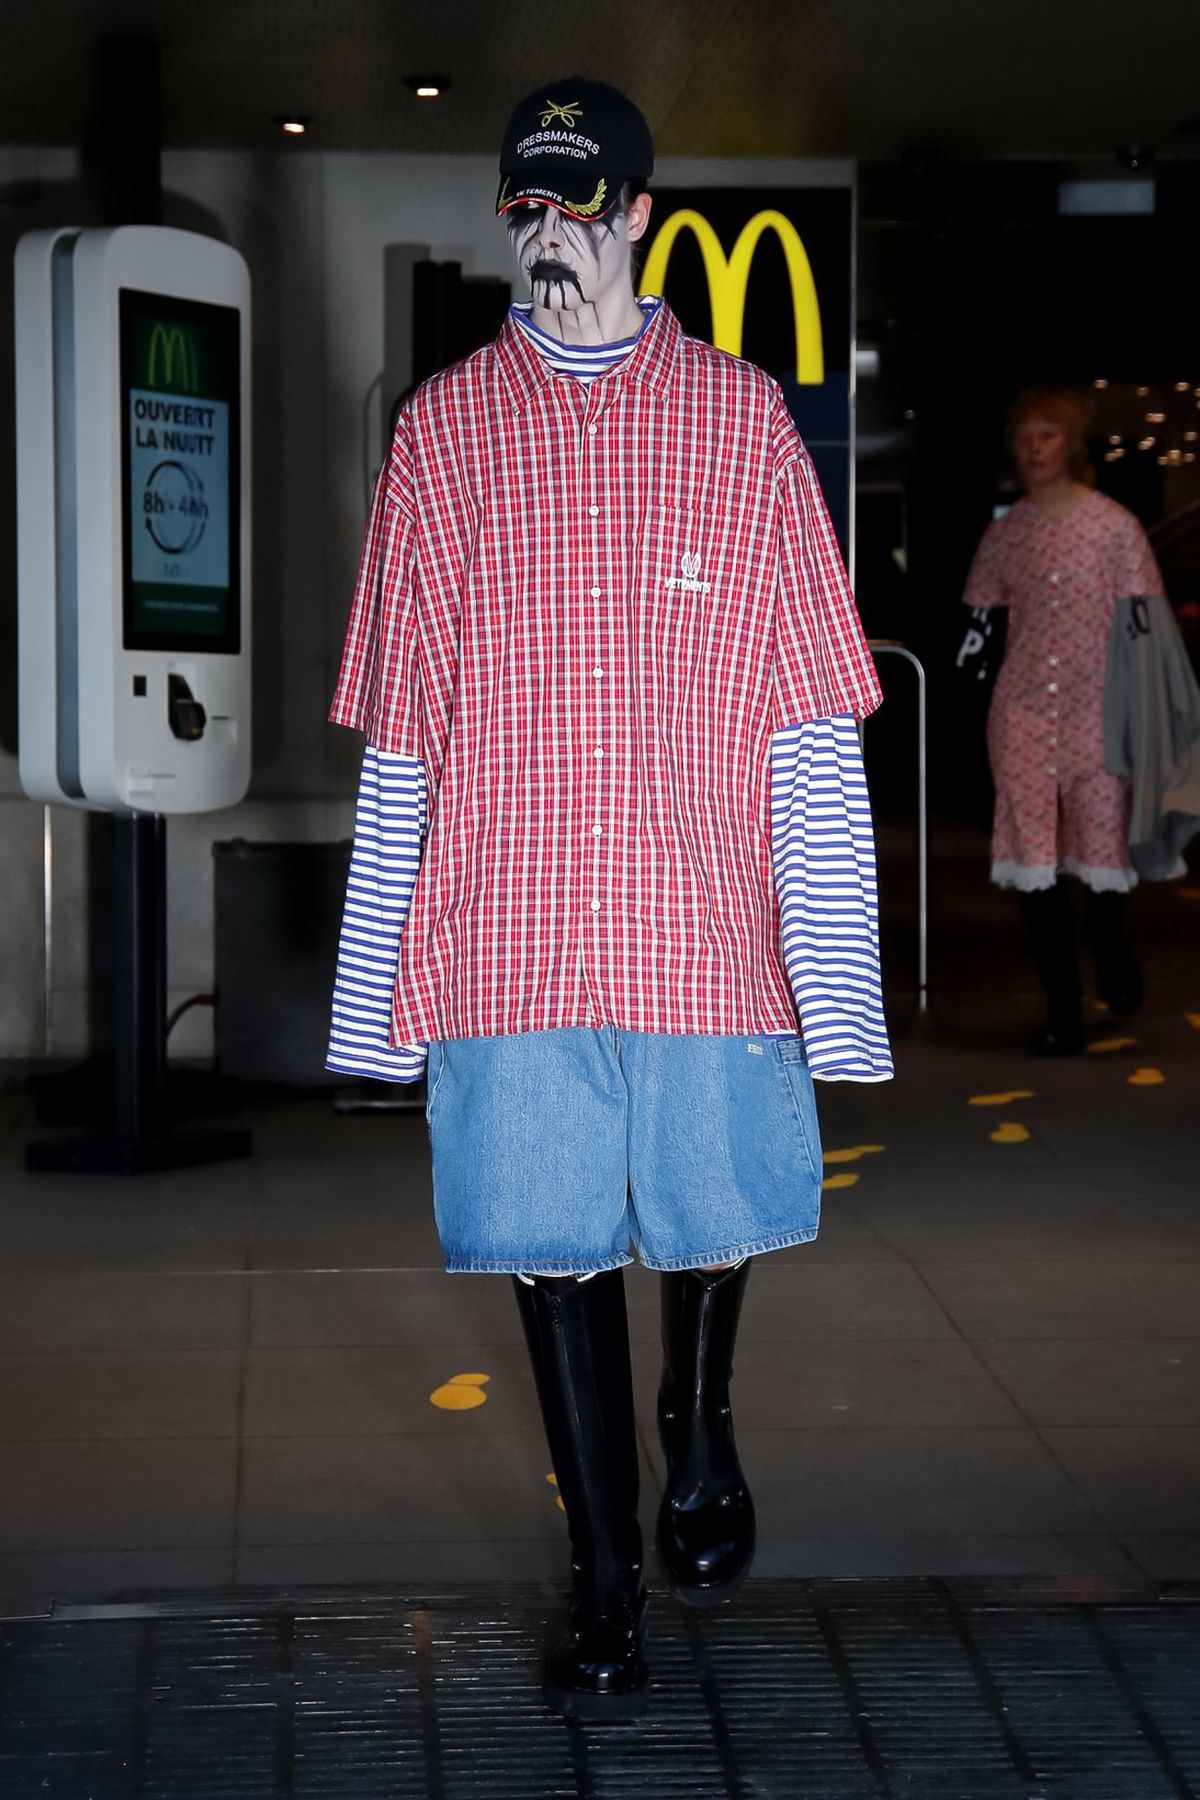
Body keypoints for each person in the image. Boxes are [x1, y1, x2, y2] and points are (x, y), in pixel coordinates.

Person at [326, 75, 891, 1719]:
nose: (548, 231)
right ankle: (603, 1580)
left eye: (577, 201)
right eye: (525, 202)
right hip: (510, 920)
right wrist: (378, 996)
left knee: (709, 1207)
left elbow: (808, 718)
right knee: (547, 1245)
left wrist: (833, 976)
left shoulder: (741, 423)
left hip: (700, 915)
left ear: (639, 214)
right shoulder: (442, 433)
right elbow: (404, 730)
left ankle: (695, 1411)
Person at [962, 388, 1163, 1055]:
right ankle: (1063, 1010)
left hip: (1099, 712)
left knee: (1103, 849)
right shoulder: (1005, 533)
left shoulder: (1115, 527)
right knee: (1034, 860)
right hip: (1022, 714)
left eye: (1048, 435)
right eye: (1025, 437)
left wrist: (1146, 716)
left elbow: (1146, 631)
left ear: (1071, 444)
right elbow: (979, 627)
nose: (1035, 448)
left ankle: (1109, 944)